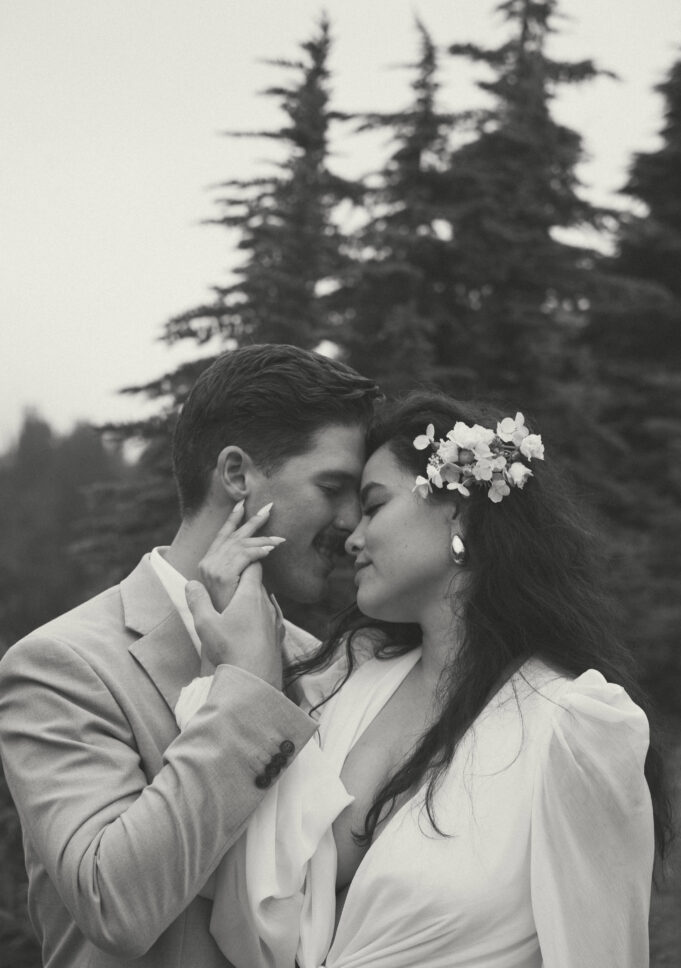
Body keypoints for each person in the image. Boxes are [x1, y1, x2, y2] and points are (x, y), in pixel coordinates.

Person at [186, 390, 670, 968]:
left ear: (459, 511)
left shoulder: (577, 727)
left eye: (373, 505)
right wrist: (242, 676)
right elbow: (258, 908)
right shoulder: (347, 687)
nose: (351, 536)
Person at [0, 343, 380, 968]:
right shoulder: (61, 666)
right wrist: (245, 694)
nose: (351, 521)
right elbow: (114, 903)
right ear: (236, 475)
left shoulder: (328, 668)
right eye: (332, 486)